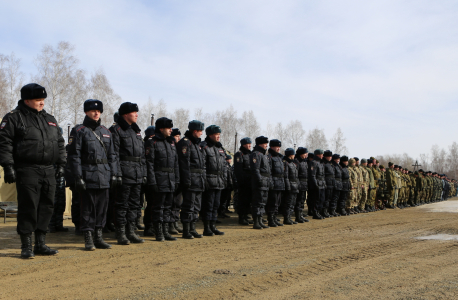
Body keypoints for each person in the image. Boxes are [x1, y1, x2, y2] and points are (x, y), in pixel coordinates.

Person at [0, 83, 65, 259]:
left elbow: (59, 142)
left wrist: (61, 164)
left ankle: (41, 244)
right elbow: (4, 143)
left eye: (43, 99)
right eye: (38, 100)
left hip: (48, 170)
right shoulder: (14, 118)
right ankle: (26, 246)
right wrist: (8, 166)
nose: (42, 103)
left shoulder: (49, 119)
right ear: (26, 100)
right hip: (27, 169)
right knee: (28, 207)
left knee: (46, 206)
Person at [67, 99, 118, 250]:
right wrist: (78, 177)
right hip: (88, 175)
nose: (96, 113)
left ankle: (99, 237)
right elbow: (74, 156)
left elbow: (112, 156)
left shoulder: (106, 132)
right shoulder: (79, 130)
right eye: (92, 111)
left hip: (104, 175)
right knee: (88, 208)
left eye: (98, 111)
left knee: (102, 208)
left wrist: (114, 174)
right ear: (86, 112)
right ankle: (88, 238)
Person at [110, 102, 145, 245]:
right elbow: (114, 154)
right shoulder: (116, 130)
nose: (137, 115)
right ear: (126, 114)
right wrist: (117, 173)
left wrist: (143, 173)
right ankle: (121, 233)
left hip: (136, 173)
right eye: (134, 112)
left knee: (135, 205)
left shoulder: (135, 131)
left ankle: (131, 232)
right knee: (122, 205)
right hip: (124, 173)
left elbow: (142, 155)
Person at [145, 117, 180, 241]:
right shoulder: (152, 142)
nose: (171, 130)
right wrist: (152, 181)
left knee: (168, 207)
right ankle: (158, 232)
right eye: (168, 128)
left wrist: (177, 180)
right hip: (159, 179)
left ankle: (166, 231)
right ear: (161, 129)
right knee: (158, 207)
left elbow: (176, 163)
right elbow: (149, 164)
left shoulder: (171, 143)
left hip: (170, 180)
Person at [176, 120, 206, 239]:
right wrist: (186, 180)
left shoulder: (195, 144)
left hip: (198, 180)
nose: (201, 134)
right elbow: (184, 164)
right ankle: (186, 230)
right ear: (194, 131)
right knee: (188, 205)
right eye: (200, 131)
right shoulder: (185, 143)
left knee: (196, 206)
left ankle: (192, 228)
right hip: (191, 180)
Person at [200, 125, 227, 236]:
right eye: (216, 134)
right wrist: (205, 180)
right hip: (209, 180)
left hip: (219, 181)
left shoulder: (219, 148)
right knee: (208, 205)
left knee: (216, 205)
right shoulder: (204, 147)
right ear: (210, 135)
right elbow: (202, 165)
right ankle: (207, 228)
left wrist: (224, 178)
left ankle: (213, 226)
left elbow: (224, 165)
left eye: (219, 135)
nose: (218, 137)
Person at [250, 136, 271, 229]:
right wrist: (259, 180)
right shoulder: (256, 154)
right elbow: (255, 169)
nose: (267, 145)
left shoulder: (263, 155)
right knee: (257, 202)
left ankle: (260, 220)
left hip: (265, 182)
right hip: (260, 182)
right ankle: (256, 222)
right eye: (265, 143)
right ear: (260, 144)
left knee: (263, 202)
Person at [233, 137, 253, 225]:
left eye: (250, 144)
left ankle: (246, 216)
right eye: (247, 144)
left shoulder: (251, 155)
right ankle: (242, 218)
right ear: (243, 145)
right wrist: (241, 181)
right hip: (243, 181)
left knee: (248, 200)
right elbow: (238, 169)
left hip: (250, 181)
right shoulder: (239, 154)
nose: (249, 146)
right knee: (242, 200)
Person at [266, 139, 285, 226]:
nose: (278, 148)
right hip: (273, 182)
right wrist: (271, 183)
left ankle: (275, 218)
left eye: (279, 147)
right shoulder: (269, 157)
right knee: (272, 202)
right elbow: (269, 172)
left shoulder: (279, 157)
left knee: (278, 202)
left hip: (280, 183)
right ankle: (270, 219)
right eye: (277, 147)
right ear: (272, 147)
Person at [142, 125, 156, 237]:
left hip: (157, 178)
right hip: (149, 178)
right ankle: (149, 226)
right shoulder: (149, 144)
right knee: (151, 204)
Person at [169, 128, 183, 235]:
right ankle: (170, 224)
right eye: (176, 136)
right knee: (171, 202)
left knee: (178, 202)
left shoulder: (180, 147)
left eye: (179, 136)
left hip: (179, 178)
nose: (178, 138)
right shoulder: (171, 146)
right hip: (170, 178)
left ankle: (175, 222)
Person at [282, 148, 299, 225]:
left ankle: (290, 217)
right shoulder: (286, 163)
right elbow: (286, 176)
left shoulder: (293, 164)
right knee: (288, 203)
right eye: (293, 154)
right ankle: (286, 218)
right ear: (290, 155)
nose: (294, 155)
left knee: (292, 203)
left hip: (294, 186)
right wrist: (288, 187)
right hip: (290, 186)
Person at [308, 149, 326, 219]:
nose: (322, 156)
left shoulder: (320, 163)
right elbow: (312, 175)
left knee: (321, 199)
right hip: (317, 184)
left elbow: (322, 175)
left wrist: (324, 184)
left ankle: (318, 212)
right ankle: (315, 213)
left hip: (321, 184)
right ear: (318, 155)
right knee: (316, 200)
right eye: (321, 154)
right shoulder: (313, 163)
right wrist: (316, 184)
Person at [294, 147, 309, 223]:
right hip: (299, 183)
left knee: (302, 200)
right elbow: (296, 174)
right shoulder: (297, 162)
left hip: (304, 184)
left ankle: (301, 215)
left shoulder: (304, 162)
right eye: (305, 153)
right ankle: (297, 216)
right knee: (298, 200)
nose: (306, 155)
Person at [218, 154, 234, 219]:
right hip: (225, 185)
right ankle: (221, 213)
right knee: (222, 200)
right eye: (229, 159)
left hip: (228, 185)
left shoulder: (228, 166)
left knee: (225, 200)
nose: (230, 160)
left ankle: (223, 212)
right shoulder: (225, 166)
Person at [322, 150, 334, 218]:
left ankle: (327, 210)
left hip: (331, 183)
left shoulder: (330, 164)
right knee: (326, 198)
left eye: (330, 156)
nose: (330, 158)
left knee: (329, 198)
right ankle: (324, 211)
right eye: (329, 156)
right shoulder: (324, 164)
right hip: (326, 183)